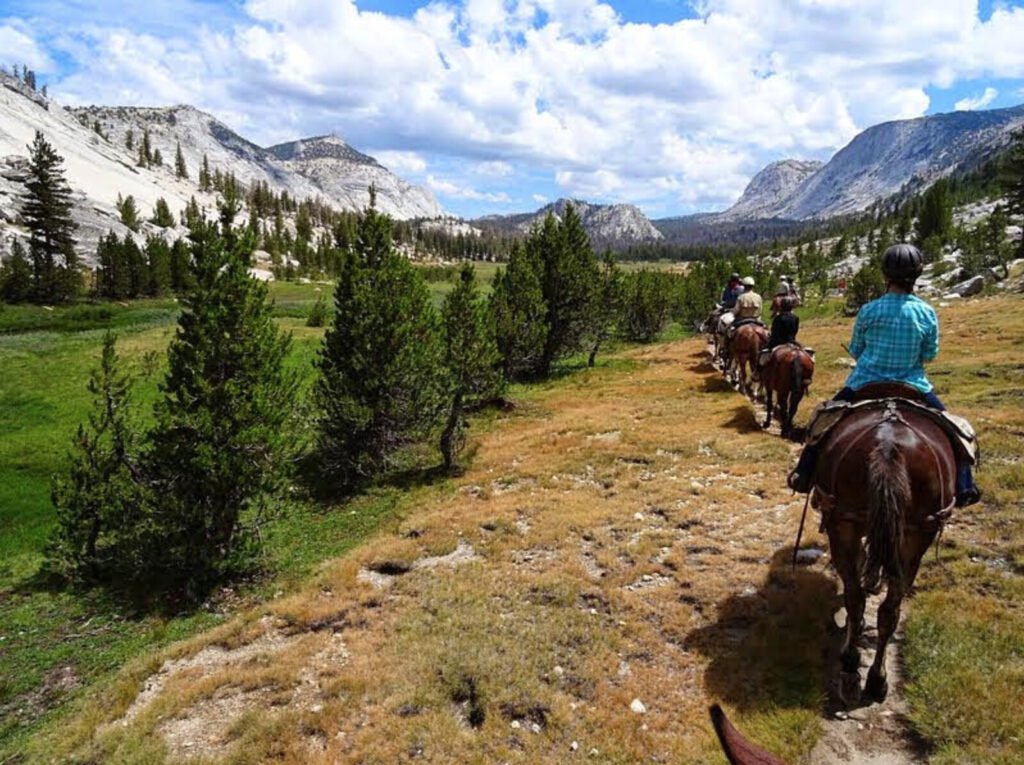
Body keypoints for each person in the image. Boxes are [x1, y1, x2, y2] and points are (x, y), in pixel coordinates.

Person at [787, 244, 980, 507]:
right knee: (957, 430)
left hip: (864, 384)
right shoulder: (926, 312)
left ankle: (804, 474)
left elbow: (856, 349)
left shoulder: (869, 310)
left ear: (885, 275)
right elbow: (930, 354)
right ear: (917, 274)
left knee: (820, 421)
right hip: (913, 385)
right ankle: (966, 485)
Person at [759, 296, 799, 369]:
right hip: (791, 341)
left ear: (781, 307)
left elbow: (774, 332)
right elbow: (795, 331)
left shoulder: (778, 318)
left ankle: (757, 372)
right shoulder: (795, 318)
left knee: (762, 354)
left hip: (777, 342)